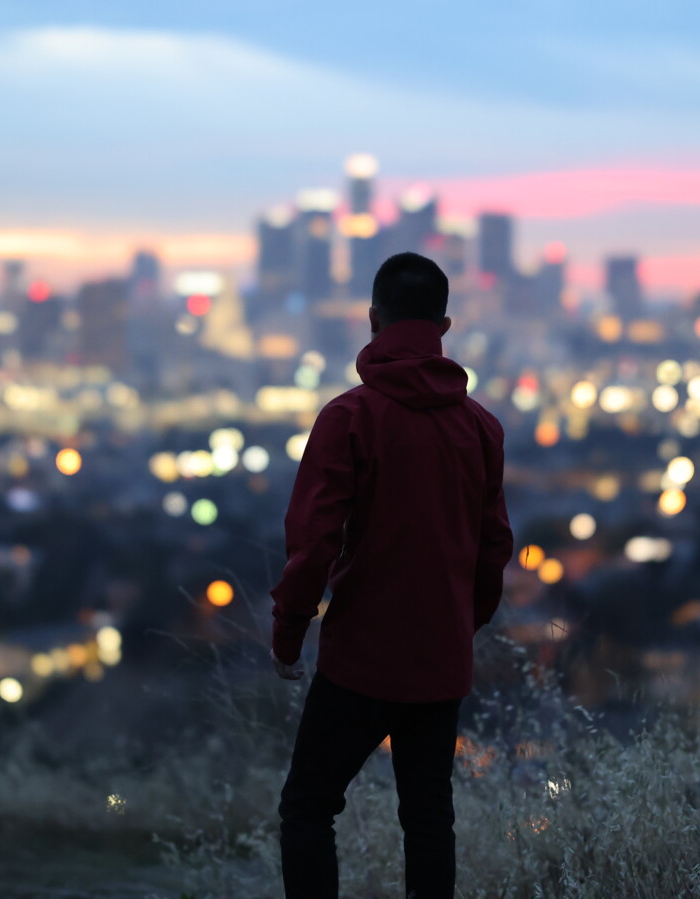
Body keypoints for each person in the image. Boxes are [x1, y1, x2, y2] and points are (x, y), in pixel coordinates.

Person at [269, 251, 514, 899]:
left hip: (362, 658)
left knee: (308, 805)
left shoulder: (349, 418)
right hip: (440, 660)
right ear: (445, 324)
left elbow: (312, 543)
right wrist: (462, 625)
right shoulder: (481, 428)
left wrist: (289, 631)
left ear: (373, 320)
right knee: (429, 819)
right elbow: (494, 547)